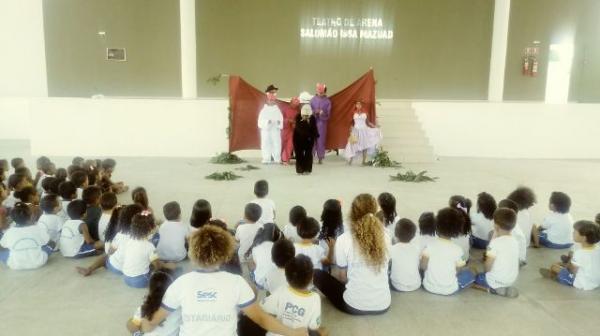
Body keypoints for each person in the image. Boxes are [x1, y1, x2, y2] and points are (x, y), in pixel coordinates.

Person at [139, 225, 308, 336]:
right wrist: (295, 333)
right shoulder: (237, 282)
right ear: (224, 254)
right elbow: (261, 319)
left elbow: (152, 322)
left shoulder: (180, 283)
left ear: (192, 254)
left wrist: (143, 326)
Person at [313, 194, 391, 315]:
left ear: (353, 213)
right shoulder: (386, 236)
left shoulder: (344, 239)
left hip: (353, 305)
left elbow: (342, 278)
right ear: (375, 211)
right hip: (383, 304)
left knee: (316, 274)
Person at [241, 255, 325, 336]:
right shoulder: (315, 298)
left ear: (287, 277)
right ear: (311, 278)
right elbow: (314, 325)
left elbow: (263, 307)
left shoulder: (281, 290)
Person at [421, 207, 474, 295]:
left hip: (428, 286)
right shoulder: (458, 250)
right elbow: (458, 270)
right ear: (458, 230)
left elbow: (423, 266)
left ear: (436, 226)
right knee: (469, 273)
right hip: (450, 289)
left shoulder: (430, 245)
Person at [472, 208, 520, 298]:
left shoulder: (495, 243)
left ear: (496, 225)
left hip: (494, 281)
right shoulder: (515, 241)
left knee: (473, 275)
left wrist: (485, 273)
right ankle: (502, 287)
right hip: (511, 280)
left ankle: (491, 289)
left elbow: (488, 267)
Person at [539, 220, 600, 290]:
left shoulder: (580, 253)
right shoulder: (598, 248)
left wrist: (564, 267)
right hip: (597, 281)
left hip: (582, 283)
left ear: (584, 238)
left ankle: (556, 276)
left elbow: (573, 271)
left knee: (554, 267)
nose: (573, 233)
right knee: (570, 260)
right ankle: (564, 266)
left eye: (575, 232)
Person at [122, 212, 172, 288]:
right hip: (140, 280)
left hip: (126, 277)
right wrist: (166, 266)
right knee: (166, 273)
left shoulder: (130, 240)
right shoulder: (149, 246)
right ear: (150, 229)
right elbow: (157, 266)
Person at [126, 269, 181, 336]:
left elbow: (133, 328)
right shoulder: (178, 306)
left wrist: (132, 322)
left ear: (150, 289)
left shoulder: (144, 309)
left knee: (134, 329)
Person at [0, 202, 53, 270]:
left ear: (13, 219)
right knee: (50, 244)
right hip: (39, 261)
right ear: (31, 217)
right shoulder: (37, 228)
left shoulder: (9, 231)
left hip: (15, 264)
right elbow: (50, 243)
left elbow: (2, 247)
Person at [246, 223, 283, 289]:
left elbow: (256, 263)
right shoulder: (279, 247)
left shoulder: (255, 247)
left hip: (260, 282)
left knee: (251, 262)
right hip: (276, 281)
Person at [344, 101, 381, 165]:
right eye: (357, 104)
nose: (358, 105)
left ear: (361, 105)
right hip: (355, 130)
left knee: (365, 145)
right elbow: (352, 123)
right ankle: (350, 160)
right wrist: (350, 129)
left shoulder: (365, 113)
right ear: (355, 105)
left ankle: (363, 161)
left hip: (364, 130)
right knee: (352, 145)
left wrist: (375, 126)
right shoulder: (353, 113)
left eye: (359, 104)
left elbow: (368, 122)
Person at [389, 218, 422, 292]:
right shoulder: (416, 248)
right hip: (416, 284)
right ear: (413, 235)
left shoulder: (392, 249)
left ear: (396, 234)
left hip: (397, 285)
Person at [258, 84, 284, 164]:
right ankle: (266, 158)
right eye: (272, 93)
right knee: (266, 143)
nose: (273, 95)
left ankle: (276, 158)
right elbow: (260, 122)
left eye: (275, 93)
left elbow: (281, 120)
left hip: (275, 130)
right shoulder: (264, 109)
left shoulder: (277, 109)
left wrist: (278, 123)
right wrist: (267, 122)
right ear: (268, 94)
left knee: (276, 143)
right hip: (266, 130)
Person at [293, 105, 319, 175]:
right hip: (298, 138)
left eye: (307, 116)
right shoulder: (298, 117)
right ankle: (300, 169)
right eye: (304, 115)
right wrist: (305, 123)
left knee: (308, 154)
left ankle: (307, 169)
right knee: (299, 154)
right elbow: (299, 129)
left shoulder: (312, 118)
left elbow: (314, 127)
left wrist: (316, 134)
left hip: (309, 139)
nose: (306, 117)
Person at [310, 83, 331, 164]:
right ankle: (311, 156)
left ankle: (320, 157)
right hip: (313, 122)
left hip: (322, 123)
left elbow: (328, 115)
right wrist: (315, 112)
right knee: (312, 139)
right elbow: (309, 111)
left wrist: (322, 113)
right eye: (319, 91)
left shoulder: (327, 101)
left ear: (324, 91)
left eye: (321, 91)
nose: (320, 92)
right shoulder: (312, 100)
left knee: (320, 140)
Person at [281, 97, 300, 165]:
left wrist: (294, 124)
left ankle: (286, 159)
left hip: (291, 130)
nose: (295, 105)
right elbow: (280, 119)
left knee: (289, 145)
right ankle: (281, 158)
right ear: (291, 102)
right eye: (294, 103)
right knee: (283, 145)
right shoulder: (284, 109)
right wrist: (288, 120)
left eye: (297, 104)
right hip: (283, 129)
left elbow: (297, 122)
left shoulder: (297, 112)